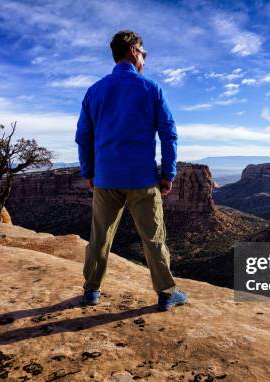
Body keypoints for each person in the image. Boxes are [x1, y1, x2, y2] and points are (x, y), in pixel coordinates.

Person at [75, 30, 188, 312]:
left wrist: (88, 171)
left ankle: (91, 291)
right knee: (153, 238)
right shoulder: (151, 89)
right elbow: (169, 134)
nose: (145, 60)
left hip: (106, 178)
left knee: (99, 237)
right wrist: (168, 174)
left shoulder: (95, 91)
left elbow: (83, 136)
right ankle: (165, 293)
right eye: (145, 54)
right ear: (134, 51)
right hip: (142, 179)